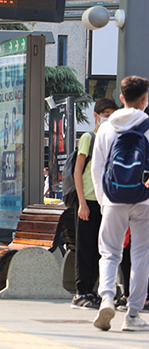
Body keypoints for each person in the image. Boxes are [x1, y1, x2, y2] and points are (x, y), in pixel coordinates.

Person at [91, 76, 149, 332]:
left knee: (110, 253)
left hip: (113, 198)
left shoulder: (106, 128)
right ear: (144, 99)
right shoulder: (147, 126)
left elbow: (97, 168)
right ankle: (133, 314)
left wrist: (105, 203)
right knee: (140, 255)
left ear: (122, 98)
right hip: (143, 199)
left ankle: (106, 297)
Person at [71, 98, 118, 310]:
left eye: (112, 114)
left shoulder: (113, 138)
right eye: (105, 113)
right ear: (96, 115)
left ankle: (97, 291)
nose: (108, 117)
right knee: (85, 248)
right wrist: (81, 202)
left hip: (106, 201)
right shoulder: (88, 138)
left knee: (103, 250)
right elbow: (77, 171)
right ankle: (82, 292)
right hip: (88, 201)